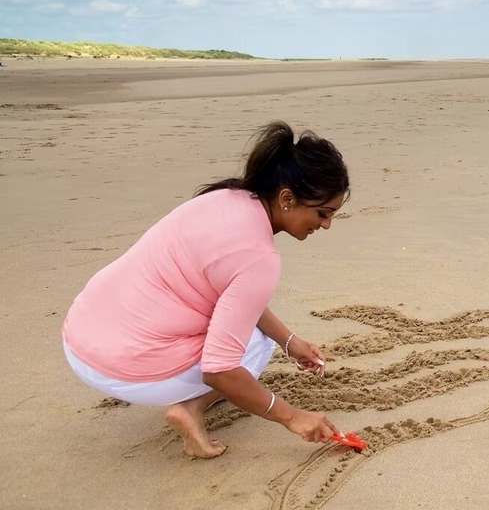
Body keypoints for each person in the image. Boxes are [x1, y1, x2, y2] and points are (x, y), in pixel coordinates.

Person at [61, 121, 350, 458]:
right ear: (287, 198)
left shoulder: (224, 197)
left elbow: (231, 290)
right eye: (323, 213)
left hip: (79, 336)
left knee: (254, 332)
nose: (326, 224)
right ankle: (191, 408)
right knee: (255, 344)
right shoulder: (260, 259)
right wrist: (293, 417)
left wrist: (290, 341)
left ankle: (189, 401)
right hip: (122, 368)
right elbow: (219, 369)